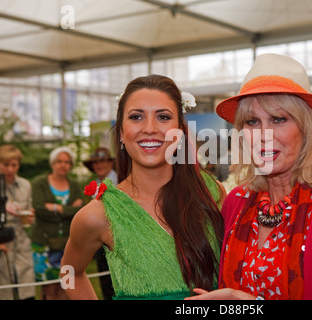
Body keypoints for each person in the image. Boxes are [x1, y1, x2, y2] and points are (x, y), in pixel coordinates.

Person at [187, 53, 312, 300]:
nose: (264, 134)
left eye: (278, 119)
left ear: (307, 129)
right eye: (252, 121)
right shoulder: (237, 201)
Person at [61, 74, 224, 300]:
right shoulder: (97, 215)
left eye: (163, 117)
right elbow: (68, 272)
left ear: (180, 130)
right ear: (120, 132)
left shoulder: (212, 193)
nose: (149, 128)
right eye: (136, 117)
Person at [30, 146, 84, 300]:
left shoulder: (74, 185)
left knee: (67, 286)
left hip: (68, 245)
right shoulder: (40, 182)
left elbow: (80, 212)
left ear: (71, 165)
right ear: (52, 163)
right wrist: (68, 210)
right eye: (59, 161)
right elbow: (39, 209)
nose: (63, 165)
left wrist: (56, 208)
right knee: (48, 289)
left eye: (67, 162)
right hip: (43, 244)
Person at [0, 144, 35, 300]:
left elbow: (28, 213)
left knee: (27, 289)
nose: (10, 169)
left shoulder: (25, 185)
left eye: (14, 165)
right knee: (4, 290)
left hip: (21, 242)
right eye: (6, 165)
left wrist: (30, 218)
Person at [82, 147, 116, 300]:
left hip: (119, 239)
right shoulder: (94, 184)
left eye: (102, 161)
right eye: (96, 163)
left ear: (110, 163)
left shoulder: (122, 181)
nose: (99, 165)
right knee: (105, 282)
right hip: (100, 241)